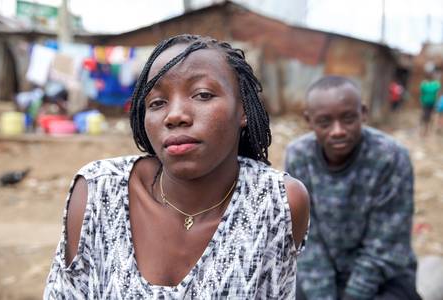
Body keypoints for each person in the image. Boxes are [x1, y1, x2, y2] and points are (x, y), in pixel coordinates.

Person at [44, 34, 310, 299]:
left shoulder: (277, 203)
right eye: (157, 103)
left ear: (243, 110)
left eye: (203, 94)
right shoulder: (99, 192)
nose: (175, 116)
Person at [285, 76, 420, 300]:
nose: (338, 130)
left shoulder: (391, 157)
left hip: (383, 275)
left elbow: (386, 242)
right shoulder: (299, 156)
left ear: (363, 113)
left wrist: (354, 295)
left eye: (348, 119)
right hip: (321, 271)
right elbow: (307, 236)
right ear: (309, 120)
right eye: (325, 122)